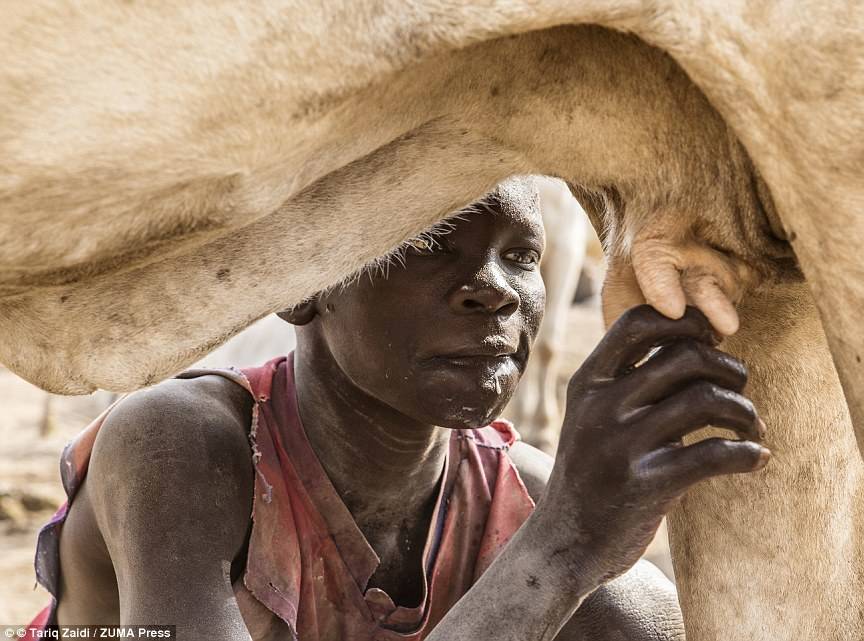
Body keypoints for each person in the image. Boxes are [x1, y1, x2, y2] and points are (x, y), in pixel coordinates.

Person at [27, 178, 768, 641]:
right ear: (303, 281)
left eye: (520, 256)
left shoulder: (526, 498)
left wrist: (582, 544)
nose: (496, 289)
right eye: (432, 242)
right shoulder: (180, 446)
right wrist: (565, 549)